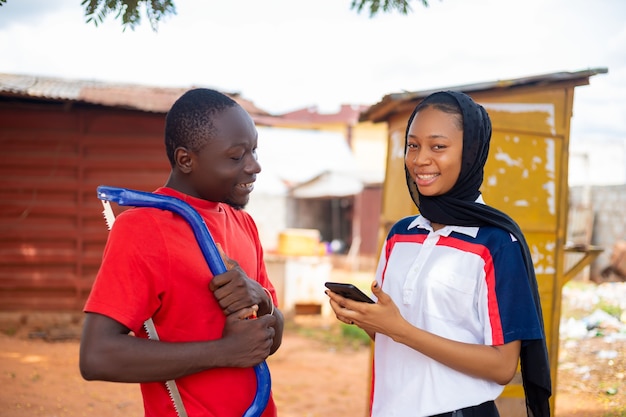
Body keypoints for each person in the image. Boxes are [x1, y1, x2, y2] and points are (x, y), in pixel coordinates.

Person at [326, 91, 551, 417]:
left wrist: (402, 330)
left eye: (438, 146)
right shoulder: (401, 235)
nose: (419, 159)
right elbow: (391, 333)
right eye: (413, 145)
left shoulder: (495, 243)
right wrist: (366, 318)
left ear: (471, 152)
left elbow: (503, 365)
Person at [80, 88, 284, 417]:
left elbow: (268, 339)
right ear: (186, 159)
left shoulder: (243, 224)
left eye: (254, 151)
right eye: (236, 156)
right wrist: (224, 351)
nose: (254, 166)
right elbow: (96, 356)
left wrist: (262, 299)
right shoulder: (143, 228)